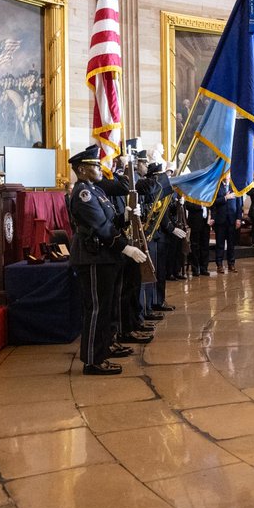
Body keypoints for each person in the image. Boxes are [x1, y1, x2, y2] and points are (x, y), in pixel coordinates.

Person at [67, 146, 148, 376]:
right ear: (81, 169)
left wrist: (126, 215)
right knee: (96, 309)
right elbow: (101, 227)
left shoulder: (96, 191)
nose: (100, 168)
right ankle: (93, 360)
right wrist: (127, 248)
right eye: (95, 165)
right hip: (93, 257)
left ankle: (106, 346)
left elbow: (110, 220)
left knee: (108, 306)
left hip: (105, 257)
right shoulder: (83, 194)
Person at [211, 179, 244, 272]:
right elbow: (213, 202)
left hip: (232, 221)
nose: (227, 176)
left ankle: (231, 264)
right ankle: (219, 265)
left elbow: (239, 204)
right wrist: (225, 198)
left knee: (231, 244)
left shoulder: (235, 187)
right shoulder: (217, 186)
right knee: (220, 244)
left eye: (229, 174)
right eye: (226, 173)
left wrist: (238, 219)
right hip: (220, 220)